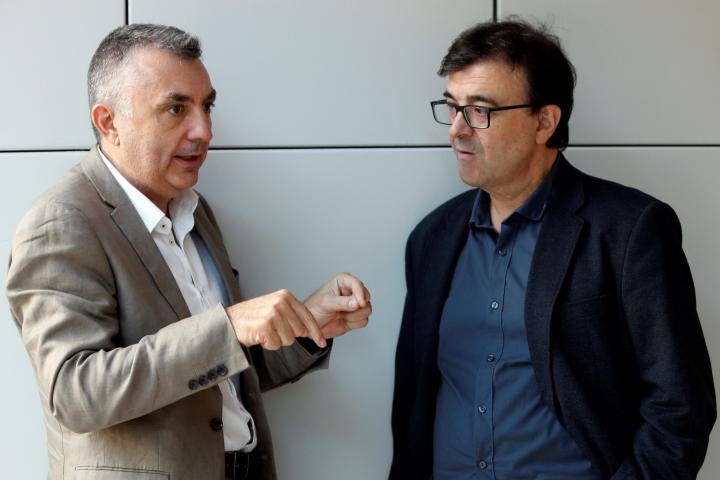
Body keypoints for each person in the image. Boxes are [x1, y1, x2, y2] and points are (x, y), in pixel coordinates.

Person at [6, 24, 371, 480]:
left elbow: (219, 369)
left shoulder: (196, 213)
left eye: (206, 106)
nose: (204, 130)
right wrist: (230, 326)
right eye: (176, 108)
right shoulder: (61, 222)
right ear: (108, 122)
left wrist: (303, 326)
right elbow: (76, 393)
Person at [390, 19, 715, 480]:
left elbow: (680, 407)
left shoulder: (629, 230)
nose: (457, 130)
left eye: (480, 111)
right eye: (452, 107)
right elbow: (412, 401)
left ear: (544, 121)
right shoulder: (432, 238)